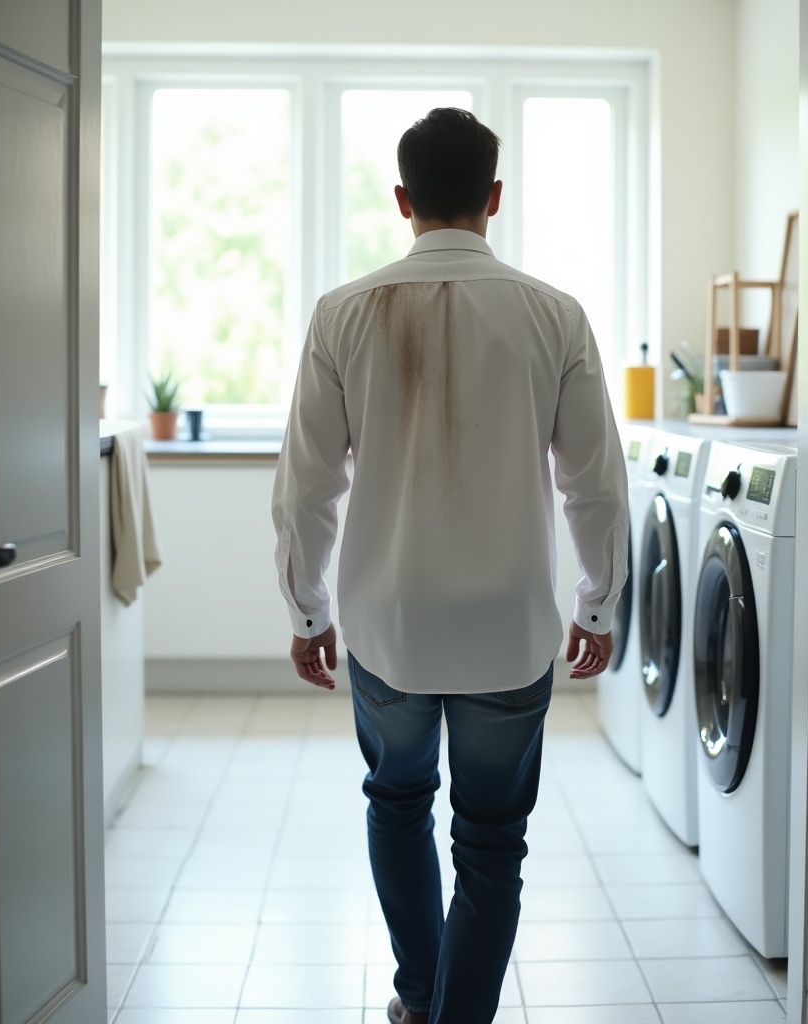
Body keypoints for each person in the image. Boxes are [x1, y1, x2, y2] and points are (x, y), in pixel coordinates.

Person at [271, 107, 628, 1024]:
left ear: (402, 200)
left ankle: (419, 995)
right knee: (493, 843)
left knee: (396, 803)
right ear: (494, 198)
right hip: (508, 631)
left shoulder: (343, 313)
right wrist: (598, 598)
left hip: (389, 625)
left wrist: (308, 610)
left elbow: (307, 487)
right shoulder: (556, 316)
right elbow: (592, 482)